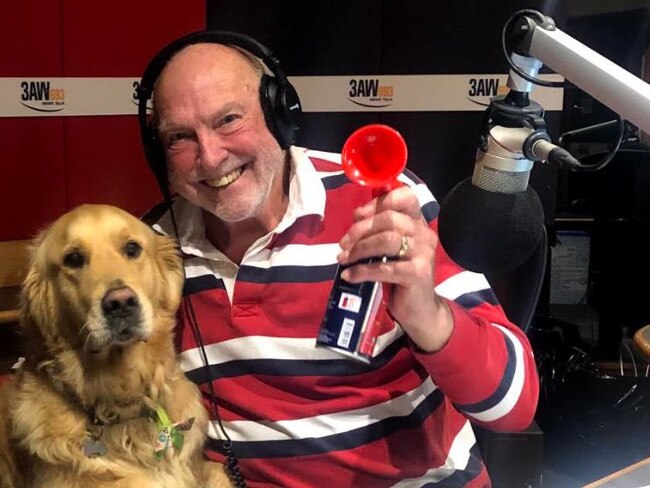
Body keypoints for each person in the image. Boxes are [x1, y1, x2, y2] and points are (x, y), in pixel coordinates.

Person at [140, 31, 539, 488]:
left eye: (229, 119)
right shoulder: (149, 249)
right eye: (180, 137)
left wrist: (428, 315)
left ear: (278, 113)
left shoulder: (386, 202)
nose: (210, 158)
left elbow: (514, 405)